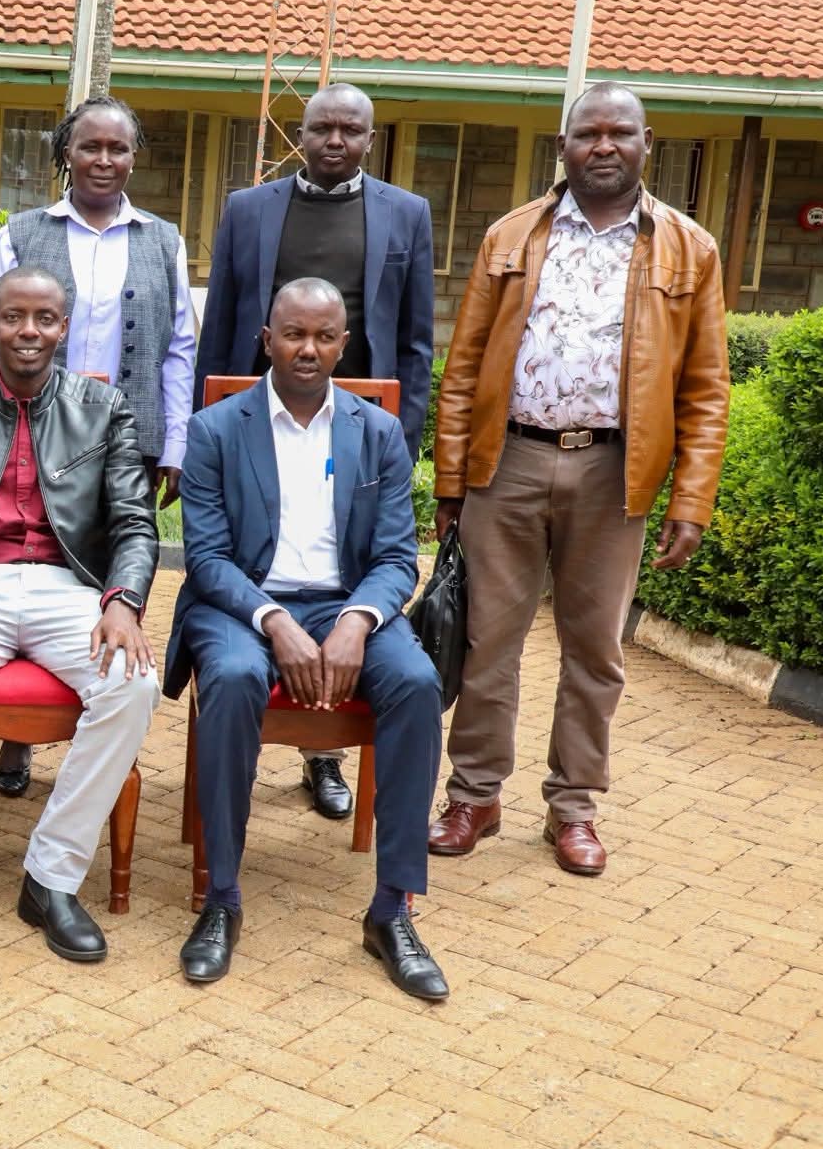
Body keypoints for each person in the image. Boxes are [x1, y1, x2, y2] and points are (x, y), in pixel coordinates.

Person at [428, 82, 728, 876]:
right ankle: (475, 795)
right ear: (562, 146)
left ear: (646, 142)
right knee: (488, 639)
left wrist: (691, 499)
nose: (603, 146)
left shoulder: (687, 248)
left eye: (618, 133)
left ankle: (573, 808)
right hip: (509, 461)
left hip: (613, 470)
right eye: (586, 133)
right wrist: (450, 482)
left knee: (594, 649)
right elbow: (462, 369)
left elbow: (705, 386)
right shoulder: (511, 236)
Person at [165, 278, 449, 1001]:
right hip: (240, 607)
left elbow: (394, 559)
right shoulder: (217, 429)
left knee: (417, 683)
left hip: (345, 606)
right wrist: (274, 621)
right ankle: (221, 898)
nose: (308, 349)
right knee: (230, 679)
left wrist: (357, 620)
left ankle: (392, 909)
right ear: (267, 338)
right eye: (294, 333)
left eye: (325, 336)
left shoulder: (376, 432)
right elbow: (207, 558)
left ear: (343, 344)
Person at [0, 266, 161, 963]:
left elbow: (135, 522)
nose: (29, 332)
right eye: (14, 317)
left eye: (45, 318)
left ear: (64, 327)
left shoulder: (102, 408)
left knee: (132, 682)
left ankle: (53, 877)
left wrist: (123, 602)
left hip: (65, 586)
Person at [194, 82, 436, 824]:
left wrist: (403, 436)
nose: (336, 141)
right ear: (301, 133)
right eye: (322, 128)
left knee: (345, 569)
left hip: (363, 421)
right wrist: (211, 420)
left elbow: (418, 338)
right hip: (260, 409)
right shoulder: (248, 209)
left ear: (370, 137)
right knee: (267, 560)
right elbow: (222, 326)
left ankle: (322, 756)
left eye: (351, 130)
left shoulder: (406, 213)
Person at [0, 94, 195, 799]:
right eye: (89, 146)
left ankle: (100, 734)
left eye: (118, 148)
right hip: (30, 434)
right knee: (36, 559)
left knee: (113, 573)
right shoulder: (26, 233)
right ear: (65, 153)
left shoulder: (163, 238)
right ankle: (17, 735)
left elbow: (179, 346)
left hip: (129, 436)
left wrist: (177, 443)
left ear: (133, 157)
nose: (103, 159)